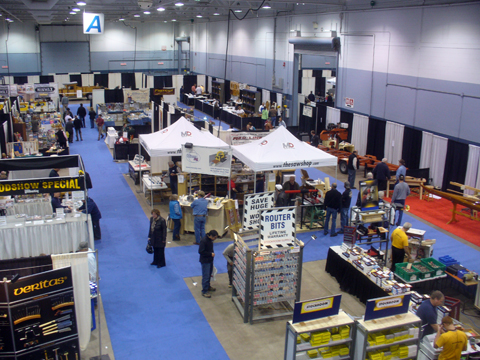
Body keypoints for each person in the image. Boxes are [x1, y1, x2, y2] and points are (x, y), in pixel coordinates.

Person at [199, 230, 218, 298]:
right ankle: (204, 291)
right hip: (205, 261)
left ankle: (208, 286)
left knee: (209, 275)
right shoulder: (204, 241)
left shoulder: (210, 240)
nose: (215, 239)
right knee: (206, 276)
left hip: (210, 260)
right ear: (210, 236)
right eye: (214, 237)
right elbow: (201, 251)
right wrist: (210, 254)